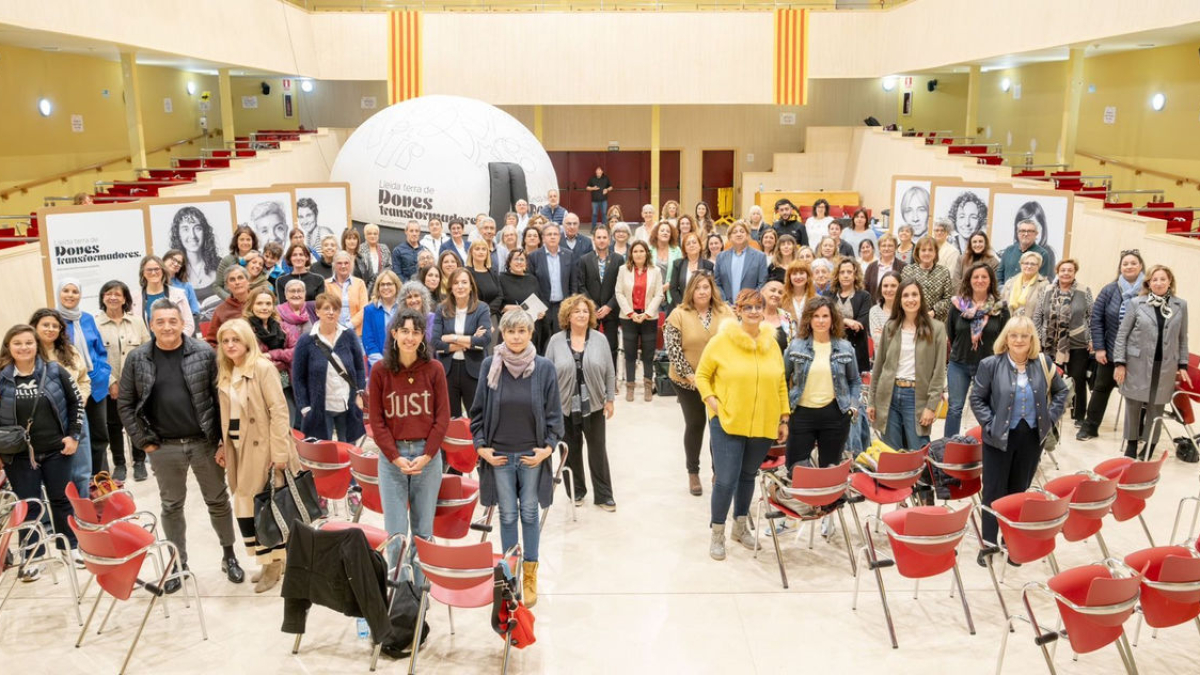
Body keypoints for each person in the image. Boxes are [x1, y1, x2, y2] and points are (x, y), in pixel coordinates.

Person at [118, 299, 243, 589]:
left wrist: (223, 441)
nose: (167, 327)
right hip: (163, 446)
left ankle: (229, 555)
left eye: (172, 321)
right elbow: (125, 404)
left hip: (205, 443)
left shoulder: (203, 353)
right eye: (160, 321)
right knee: (172, 506)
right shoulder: (138, 359)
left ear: (182, 323)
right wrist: (143, 441)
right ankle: (178, 564)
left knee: (218, 501)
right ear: (151, 324)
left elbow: (221, 399)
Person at [470, 308, 563, 607]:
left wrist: (548, 448)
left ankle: (530, 573)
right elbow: (478, 412)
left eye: (522, 331)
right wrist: (481, 446)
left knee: (530, 514)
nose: (516, 337)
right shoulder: (489, 365)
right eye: (511, 331)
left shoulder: (544, 367)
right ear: (503, 335)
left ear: (530, 333)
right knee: (508, 515)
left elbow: (554, 415)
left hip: (530, 455)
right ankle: (509, 575)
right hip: (499, 455)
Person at [696, 289, 790, 560]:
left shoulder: (771, 342)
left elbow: (780, 381)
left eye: (758, 306)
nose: (753, 311)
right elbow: (702, 375)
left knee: (748, 475)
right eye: (747, 307)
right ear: (738, 310)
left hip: (763, 422)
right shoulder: (722, 340)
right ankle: (717, 534)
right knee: (725, 480)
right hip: (727, 421)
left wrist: (784, 417)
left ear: (763, 310)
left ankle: (740, 528)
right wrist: (712, 402)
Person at [213, 319, 299, 594]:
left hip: (264, 449)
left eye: (235, 340)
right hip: (239, 448)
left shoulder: (261, 367)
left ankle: (274, 563)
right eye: (225, 341)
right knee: (248, 507)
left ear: (247, 340)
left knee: (264, 508)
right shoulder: (227, 370)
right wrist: (224, 446)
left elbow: (279, 411)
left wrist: (280, 453)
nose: (230, 346)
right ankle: (269, 560)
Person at [970, 316, 1068, 555]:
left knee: (1019, 491)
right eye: (1014, 335)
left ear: (1032, 339)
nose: (1019, 340)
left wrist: (1049, 417)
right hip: (998, 438)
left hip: (1031, 438)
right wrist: (990, 424)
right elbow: (976, 398)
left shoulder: (1042, 362)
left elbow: (1062, 392)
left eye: (1025, 335)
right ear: (1006, 338)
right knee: (994, 491)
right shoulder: (990, 364)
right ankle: (990, 545)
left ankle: (1011, 542)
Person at [368, 308, 450, 572]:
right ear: (394, 333)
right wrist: (395, 456)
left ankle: (420, 598)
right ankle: (401, 601)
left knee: (423, 533)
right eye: (404, 331)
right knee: (396, 535)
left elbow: (442, 418)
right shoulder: (380, 371)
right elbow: (377, 421)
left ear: (423, 336)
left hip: (428, 456)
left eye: (416, 332)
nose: (410, 337)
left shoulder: (434, 369)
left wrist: (427, 455)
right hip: (393, 459)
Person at [0, 324, 83, 579]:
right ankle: (32, 555)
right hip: (19, 455)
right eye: (18, 343)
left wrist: (74, 436)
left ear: (37, 345)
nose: (24, 347)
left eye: (28, 342)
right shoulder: (2, 378)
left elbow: (75, 402)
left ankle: (70, 547)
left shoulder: (55, 371)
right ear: (9, 347)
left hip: (57, 451)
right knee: (29, 505)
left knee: (61, 500)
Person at [665, 272, 735, 496]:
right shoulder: (678, 314)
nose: (702, 291)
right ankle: (693, 472)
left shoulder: (726, 312)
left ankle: (719, 471)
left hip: (719, 381)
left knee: (719, 426)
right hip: (687, 382)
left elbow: (734, 343)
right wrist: (692, 377)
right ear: (690, 292)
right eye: (697, 288)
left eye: (706, 287)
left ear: (712, 289)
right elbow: (674, 351)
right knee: (695, 424)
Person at [546, 295, 617, 510]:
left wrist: (610, 399)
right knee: (571, 450)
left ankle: (604, 495)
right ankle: (576, 491)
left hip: (594, 405)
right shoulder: (556, 341)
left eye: (585, 311)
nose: (581, 314)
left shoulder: (600, 339)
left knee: (597, 450)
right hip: (564, 407)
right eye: (576, 311)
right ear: (568, 315)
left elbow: (610, 372)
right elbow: (547, 373)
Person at [1114, 265, 1190, 459]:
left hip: (1165, 366)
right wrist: (1119, 363)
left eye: (1162, 279)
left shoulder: (1180, 305)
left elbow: (1183, 338)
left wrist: (1183, 365)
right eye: (1154, 279)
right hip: (1137, 363)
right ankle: (1131, 444)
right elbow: (1122, 335)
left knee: (1156, 406)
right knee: (1133, 404)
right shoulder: (1136, 303)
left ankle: (1149, 445)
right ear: (1148, 282)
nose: (1158, 283)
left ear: (1169, 281)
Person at [867, 280, 947, 451]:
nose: (910, 299)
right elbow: (879, 367)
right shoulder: (890, 326)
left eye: (914, 295)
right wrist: (872, 401)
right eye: (905, 295)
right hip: (889, 394)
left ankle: (920, 480)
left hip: (916, 397)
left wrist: (931, 407)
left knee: (918, 453)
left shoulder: (937, 329)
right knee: (892, 454)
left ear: (921, 298)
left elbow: (939, 372)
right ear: (899, 300)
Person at [784, 296, 862, 470]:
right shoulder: (795, 346)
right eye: (816, 316)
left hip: (835, 415)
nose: (820, 320)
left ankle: (831, 498)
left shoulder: (845, 347)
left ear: (832, 319)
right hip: (801, 414)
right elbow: (782, 379)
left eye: (825, 316)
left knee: (830, 471)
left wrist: (853, 406)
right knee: (796, 471)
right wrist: (784, 412)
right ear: (808, 319)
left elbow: (854, 380)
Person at [1079, 250, 1145, 441]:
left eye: (1133, 263)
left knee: (1139, 395)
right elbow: (1096, 320)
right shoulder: (1109, 290)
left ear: (1141, 266)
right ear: (1120, 267)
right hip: (1109, 351)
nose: (1129, 266)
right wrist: (1099, 348)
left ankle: (1137, 434)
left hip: (1138, 354)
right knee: (1101, 388)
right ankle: (1089, 427)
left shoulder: (1149, 291)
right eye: (1125, 264)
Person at [944, 263, 1010, 437]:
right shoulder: (957, 305)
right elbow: (951, 333)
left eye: (984, 277)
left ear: (991, 281)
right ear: (969, 280)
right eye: (976, 277)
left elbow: (1006, 338)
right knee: (955, 408)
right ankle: (949, 448)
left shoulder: (1000, 308)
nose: (980, 280)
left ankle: (990, 446)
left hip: (989, 366)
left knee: (988, 409)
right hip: (959, 363)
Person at [31, 308, 92, 496]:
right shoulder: (28, 353)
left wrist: (78, 402)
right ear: (34, 327)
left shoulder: (70, 352)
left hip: (76, 415)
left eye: (55, 326)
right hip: (46, 421)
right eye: (45, 325)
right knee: (52, 473)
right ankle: (56, 517)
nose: (50, 329)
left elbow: (84, 380)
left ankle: (83, 512)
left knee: (81, 470)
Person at [292, 293, 367, 443]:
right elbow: (298, 377)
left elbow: (359, 367)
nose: (331, 312)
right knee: (322, 450)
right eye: (326, 308)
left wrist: (359, 393)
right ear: (317, 312)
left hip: (347, 402)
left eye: (335, 309)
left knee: (349, 448)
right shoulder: (306, 340)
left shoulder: (349, 336)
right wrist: (305, 407)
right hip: (319, 406)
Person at [96, 280, 151, 482]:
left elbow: (147, 350)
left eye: (117, 294)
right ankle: (119, 464)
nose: (113, 297)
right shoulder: (95, 323)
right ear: (103, 298)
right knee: (113, 425)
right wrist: (111, 381)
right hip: (109, 384)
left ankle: (139, 461)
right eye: (108, 293)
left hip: (135, 383)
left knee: (136, 423)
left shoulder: (136, 321)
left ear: (125, 298)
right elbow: (95, 358)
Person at [57, 279, 111, 479]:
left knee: (99, 434)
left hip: (95, 384)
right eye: (66, 290)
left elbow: (99, 351)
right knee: (75, 434)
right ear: (58, 293)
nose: (70, 295)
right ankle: (81, 478)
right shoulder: (53, 320)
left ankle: (101, 478)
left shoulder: (87, 318)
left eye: (74, 291)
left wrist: (101, 373)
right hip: (68, 388)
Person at [1034, 259, 1093, 426]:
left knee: (1077, 379)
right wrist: (1038, 339)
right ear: (1057, 272)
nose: (1066, 273)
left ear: (1075, 273)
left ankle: (1079, 416)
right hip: (1050, 343)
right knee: (1048, 378)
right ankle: (1046, 411)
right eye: (1063, 270)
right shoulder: (1046, 290)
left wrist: (1091, 339)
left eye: (1070, 270)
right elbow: (1038, 315)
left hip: (1076, 343)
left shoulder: (1084, 290)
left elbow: (1091, 315)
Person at [432, 268, 492, 418]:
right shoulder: (442, 309)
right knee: (451, 418)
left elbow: (484, 340)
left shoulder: (481, 308)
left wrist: (452, 337)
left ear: (471, 286)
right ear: (451, 288)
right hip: (448, 370)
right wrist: (471, 339)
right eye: (456, 283)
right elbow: (436, 342)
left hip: (473, 369)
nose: (460, 286)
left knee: (476, 417)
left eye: (464, 282)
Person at [615, 240, 664, 402]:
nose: (638, 254)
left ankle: (648, 386)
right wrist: (630, 313)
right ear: (631, 254)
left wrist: (647, 313)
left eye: (641, 251)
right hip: (629, 317)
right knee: (629, 354)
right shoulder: (623, 270)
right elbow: (619, 293)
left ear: (647, 253)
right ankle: (630, 387)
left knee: (648, 354)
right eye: (635, 251)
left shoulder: (655, 271)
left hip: (649, 318)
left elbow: (659, 294)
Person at [244, 290, 298, 425]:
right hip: (261, 387)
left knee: (288, 425)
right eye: (259, 303)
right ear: (251, 306)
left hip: (286, 385)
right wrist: (283, 360)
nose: (264, 307)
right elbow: (252, 358)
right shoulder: (245, 329)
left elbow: (296, 351)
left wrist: (273, 354)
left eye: (268, 303)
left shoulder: (281, 326)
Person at [573, 224, 624, 367]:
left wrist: (609, 306)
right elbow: (581, 285)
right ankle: (590, 377)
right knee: (589, 346)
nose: (601, 240)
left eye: (604, 237)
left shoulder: (618, 259)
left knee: (611, 347)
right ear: (593, 240)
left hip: (611, 310)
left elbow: (621, 286)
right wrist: (593, 307)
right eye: (598, 237)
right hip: (591, 312)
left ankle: (611, 380)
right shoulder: (584, 259)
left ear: (609, 240)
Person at [527, 222, 576, 351]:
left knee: (562, 341)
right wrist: (536, 307)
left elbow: (573, 282)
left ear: (560, 237)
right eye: (549, 234)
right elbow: (531, 284)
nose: (553, 237)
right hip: (542, 307)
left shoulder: (568, 255)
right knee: (542, 341)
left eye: (555, 234)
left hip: (563, 305)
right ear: (543, 237)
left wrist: (572, 304)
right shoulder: (534, 257)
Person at [828, 259, 872, 373]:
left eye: (849, 272)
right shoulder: (828, 295)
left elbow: (860, 324)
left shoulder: (864, 296)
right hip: (831, 349)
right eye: (842, 272)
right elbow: (825, 320)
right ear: (837, 275)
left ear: (855, 275)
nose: (846, 275)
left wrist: (836, 321)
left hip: (856, 350)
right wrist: (846, 321)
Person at [170, 206, 221, 301]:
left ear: (205, 232)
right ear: (178, 235)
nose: (192, 235)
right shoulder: (172, 271)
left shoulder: (221, 265)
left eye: (197, 228)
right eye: (185, 229)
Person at [714, 221, 769, 306]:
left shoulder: (760, 257)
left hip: (750, 307)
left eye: (742, 231)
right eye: (735, 232)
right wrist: (726, 303)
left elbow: (762, 283)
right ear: (729, 237)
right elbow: (717, 283)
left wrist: (748, 301)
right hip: (726, 308)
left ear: (747, 235)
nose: (739, 234)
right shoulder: (721, 257)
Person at [900, 236, 954, 322]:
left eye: (930, 250)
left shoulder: (943, 271)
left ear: (935, 252)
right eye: (923, 250)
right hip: (912, 319)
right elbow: (902, 295)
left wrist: (934, 311)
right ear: (918, 252)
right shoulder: (908, 270)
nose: (927, 253)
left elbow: (948, 298)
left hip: (937, 321)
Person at [139, 255, 195, 337]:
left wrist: (176, 343)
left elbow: (188, 325)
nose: (153, 272)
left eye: (156, 269)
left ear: (163, 271)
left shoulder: (178, 295)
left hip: (176, 346)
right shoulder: (134, 298)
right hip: (147, 348)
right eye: (149, 270)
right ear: (143, 273)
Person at [997, 214, 1055, 284]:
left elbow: (1041, 281)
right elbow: (999, 277)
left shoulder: (1043, 254)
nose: (1026, 234)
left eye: (1030, 231)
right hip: (1006, 293)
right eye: (1022, 231)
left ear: (1036, 234)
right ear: (1017, 233)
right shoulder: (1009, 250)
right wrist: (1003, 290)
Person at [363, 270, 403, 369]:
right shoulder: (370, 310)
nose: (385, 287)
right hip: (379, 365)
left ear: (396, 286)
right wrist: (381, 364)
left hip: (402, 362)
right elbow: (368, 340)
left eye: (389, 284)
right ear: (378, 287)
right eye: (382, 284)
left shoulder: (404, 308)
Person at [206, 266, 253, 347]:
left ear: (248, 281)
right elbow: (211, 342)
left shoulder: (261, 301)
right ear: (227, 285)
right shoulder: (220, 311)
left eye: (240, 278)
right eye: (232, 279)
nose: (237, 282)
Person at [326, 251, 369, 334]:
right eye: (339, 263)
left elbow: (364, 309)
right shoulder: (326, 284)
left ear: (351, 265)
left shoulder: (359, 283)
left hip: (356, 332)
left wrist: (348, 325)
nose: (343, 266)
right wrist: (337, 327)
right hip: (333, 332)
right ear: (334, 265)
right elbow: (325, 308)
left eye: (346, 263)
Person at [467, 239, 504, 332]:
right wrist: (483, 312)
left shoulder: (492, 272)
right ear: (471, 252)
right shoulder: (466, 272)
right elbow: (468, 297)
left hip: (493, 317)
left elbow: (500, 295)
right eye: (477, 249)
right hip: (474, 317)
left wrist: (488, 311)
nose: (481, 252)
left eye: (484, 249)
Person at [670, 232, 714, 308]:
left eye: (694, 242)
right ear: (684, 249)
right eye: (688, 244)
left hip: (702, 306)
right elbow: (673, 288)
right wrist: (682, 305)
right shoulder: (678, 264)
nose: (691, 245)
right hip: (681, 306)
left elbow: (711, 288)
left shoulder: (708, 265)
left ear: (700, 246)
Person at [1001, 250, 1048, 318]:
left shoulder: (1044, 285)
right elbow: (1002, 304)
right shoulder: (1010, 283)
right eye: (1026, 263)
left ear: (1039, 266)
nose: (1029, 266)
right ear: (1021, 264)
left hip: (1031, 325)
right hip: (1009, 324)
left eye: (1033, 264)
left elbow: (1044, 312)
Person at [215, 226, 258, 300]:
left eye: (248, 239)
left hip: (255, 302)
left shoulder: (259, 259)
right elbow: (217, 286)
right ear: (236, 241)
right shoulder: (227, 260)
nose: (245, 242)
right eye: (242, 239)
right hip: (233, 302)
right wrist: (230, 300)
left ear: (253, 241)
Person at [162, 249, 202, 329]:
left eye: (179, 263)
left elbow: (195, 312)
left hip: (183, 328)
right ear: (164, 260)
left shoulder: (186, 286)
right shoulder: (155, 284)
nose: (176, 264)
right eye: (173, 260)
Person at [278, 279, 317, 344]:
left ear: (305, 294)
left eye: (299, 291)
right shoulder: (278, 311)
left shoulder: (313, 307)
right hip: (288, 352)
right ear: (286, 295)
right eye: (292, 291)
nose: (296, 295)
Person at [869, 271, 901, 347]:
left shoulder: (906, 310)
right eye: (885, 286)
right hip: (881, 358)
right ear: (881, 288)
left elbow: (908, 339)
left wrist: (883, 333)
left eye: (893, 286)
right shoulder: (874, 311)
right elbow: (877, 340)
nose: (889, 289)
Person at [650, 221, 681, 297]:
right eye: (662, 230)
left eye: (668, 231)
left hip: (671, 292)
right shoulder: (649, 250)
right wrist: (658, 290)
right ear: (656, 234)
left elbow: (679, 272)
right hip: (652, 293)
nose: (665, 233)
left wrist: (667, 286)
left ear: (671, 235)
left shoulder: (677, 250)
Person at [761, 279, 792, 353]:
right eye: (772, 290)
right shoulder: (752, 315)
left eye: (780, 293)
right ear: (762, 292)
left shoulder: (788, 318)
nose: (776, 294)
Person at [358, 223, 392, 289]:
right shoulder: (359, 249)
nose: (372, 236)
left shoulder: (384, 248)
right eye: (369, 234)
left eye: (375, 234)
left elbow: (389, 266)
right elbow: (359, 269)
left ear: (378, 235)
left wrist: (379, 277)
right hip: (364, 285)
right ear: (365, 235)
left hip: (382, 284)